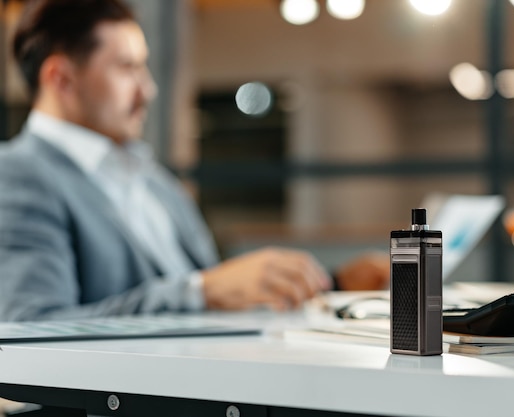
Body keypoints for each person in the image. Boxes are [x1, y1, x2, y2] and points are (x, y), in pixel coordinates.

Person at [0, 0, 389, 321]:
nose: (148, 89)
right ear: (61, 79)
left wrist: (333, 284)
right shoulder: (19, 175)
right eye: (127, 67)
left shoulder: (153, 180)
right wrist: (200, 293)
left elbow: (220, 293)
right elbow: (31, 325)